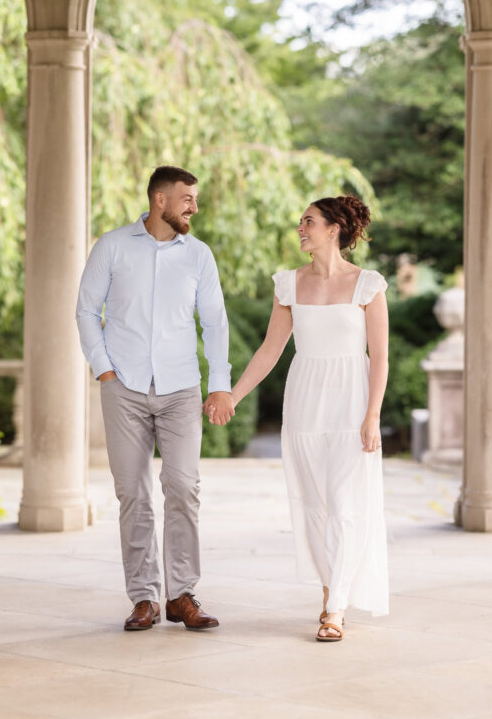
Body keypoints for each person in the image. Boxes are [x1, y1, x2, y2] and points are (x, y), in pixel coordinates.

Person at [221, 194, 389, 642]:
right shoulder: (288, 285)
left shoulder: (367, 285)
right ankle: (330, 590)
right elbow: (270, 351)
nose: (301, 228)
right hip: (305, 402)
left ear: (333, 229)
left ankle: (336, 608)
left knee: (345, 504)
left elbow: (380, 357)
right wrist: (233, 396)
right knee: (316, 504)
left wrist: (372, 415)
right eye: (301, 222)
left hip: (351, 402)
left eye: (309, 222)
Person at [76, 165, 235, 632]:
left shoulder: (199, 256)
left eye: (195, 199)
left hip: (180, 388)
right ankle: (144, 597)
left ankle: (182, 594)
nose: (194, 206)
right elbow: (87, 309)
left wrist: (219, 382)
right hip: (122, 385)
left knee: (183, 488)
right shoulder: (111, 246)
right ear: (159, 200)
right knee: (133, 494)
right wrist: (102, 367)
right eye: (187, 198)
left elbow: (215, 322)